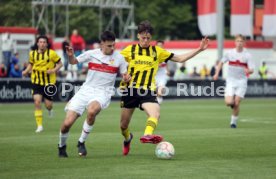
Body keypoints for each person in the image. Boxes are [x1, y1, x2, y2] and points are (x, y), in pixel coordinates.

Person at [119, 20, 209, 155]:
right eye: (143, 37)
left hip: (147, 89)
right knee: (123, 125)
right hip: (130, 90)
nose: (145, 40)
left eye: (148, 38)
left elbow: (179, 58)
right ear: (138, 36)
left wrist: (199, 49)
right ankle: (127, 138)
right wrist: (123, 76)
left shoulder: (157, 51)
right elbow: (117, 65)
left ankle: (147, 135)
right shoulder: (129, 50)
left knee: (155, 113)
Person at [58, 31, 130, 158]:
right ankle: (61, 146)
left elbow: (125, 75)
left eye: (113, 45)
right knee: (67, 124)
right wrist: (70, 56)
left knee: (92, 111)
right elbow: (73, 61)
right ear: (102, 44)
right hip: (85, 91)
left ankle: (81, 142)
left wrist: (126, 78)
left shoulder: (119, 58)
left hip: (103, 93)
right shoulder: (91, 54)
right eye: (109, 46)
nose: (112, 48)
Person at [22, 35, 63, 133]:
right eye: (40, 42)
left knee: (48, 105)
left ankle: (49, 110)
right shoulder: (32, 54)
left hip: (49, 83)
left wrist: (53, 70)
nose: (42, 44)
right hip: (36, 82)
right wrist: (26, 71)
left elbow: (60, 64)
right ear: (37, 43)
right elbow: (31, 64)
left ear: (47, 44)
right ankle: (39, 126)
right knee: (37, 102)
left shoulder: (52, 53)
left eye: (44, 42)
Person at [213, 34, 254, 128]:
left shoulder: (247, 55)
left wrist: (249, 71)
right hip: (231, 81)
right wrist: (216, 73)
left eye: (241, 41)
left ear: (244, 43)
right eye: (238, 41)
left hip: (242, 81)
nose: (239, 43)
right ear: (235, 42)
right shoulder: (230, 53)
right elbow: (221, 63)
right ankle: (231, 103)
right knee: (228, 103)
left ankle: (233, 123)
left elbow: (252, 69)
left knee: (237, 102)